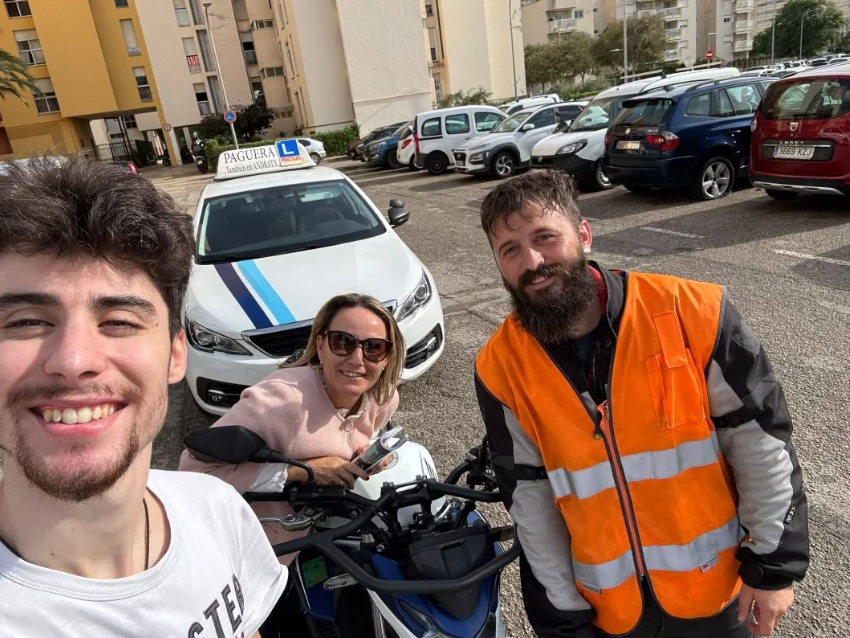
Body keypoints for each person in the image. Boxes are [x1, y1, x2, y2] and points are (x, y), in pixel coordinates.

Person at [473, 170, 808, 638]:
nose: (533, 261)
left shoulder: (695, 311)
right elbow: (530, 499)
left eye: (545, 237)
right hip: (609, 611)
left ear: (583, 234)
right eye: (510, 250)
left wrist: (772, 567)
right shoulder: (499, 366)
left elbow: (759, 440)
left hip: (715, 594)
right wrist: (563, 616)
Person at [0, 154, 287, 637]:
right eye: (26, 321)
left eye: (119, 321)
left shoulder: (216, 508)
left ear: (176, 355)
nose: (73, 360)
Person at [179, 293, 404, 637]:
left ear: (388, 357)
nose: (358, 359)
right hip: (262, 551)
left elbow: (356, 433)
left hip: (331, 534)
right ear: (321, 345)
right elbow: (194, 471)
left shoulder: (383, 397)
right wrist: (301, 470)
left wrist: (372, 452)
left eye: (374, 347)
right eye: (343, 342)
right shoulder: (281, 401)